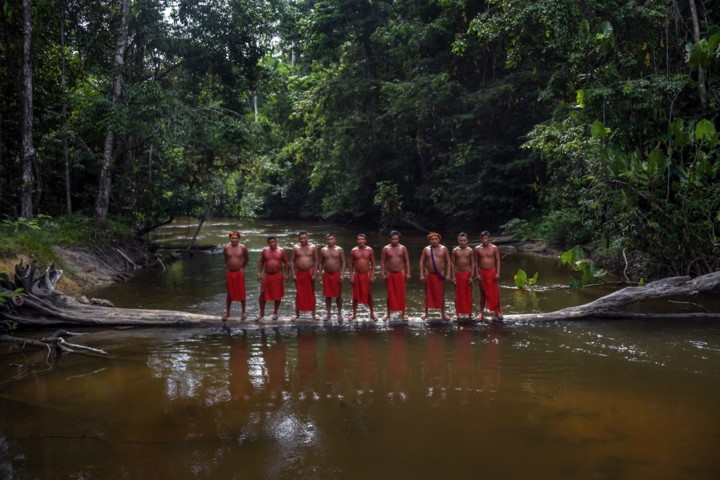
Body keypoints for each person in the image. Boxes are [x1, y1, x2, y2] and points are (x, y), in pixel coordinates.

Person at [419, 232, 450, 321]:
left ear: (439, 239)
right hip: (429, 274)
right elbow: (421, 262)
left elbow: (448, 262)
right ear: (429, 240)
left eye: (436, 239)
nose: (434, 241)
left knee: (441, 294)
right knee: (427, 293)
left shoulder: (444, 248)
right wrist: (421, 274)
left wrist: (448, 274)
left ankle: (443, 313)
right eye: (432, 239)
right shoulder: (426, 249)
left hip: (440, 274)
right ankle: (426, 312)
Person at [380, 230, 411, 321]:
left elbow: (406, 261)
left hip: (401, 272)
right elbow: (382, 261)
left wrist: (408, 273)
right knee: (389, 294)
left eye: (396, 239)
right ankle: (388, 313)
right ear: (389, 239)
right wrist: (382, 273)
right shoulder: (386, 249)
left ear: (399, 239)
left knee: (401, 293)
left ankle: (404, 313)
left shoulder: (403, 248)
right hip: (389, 273)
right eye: (393, 239)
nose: (395, 241)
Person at [257, 236, 289, 320]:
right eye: (270, 242)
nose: (272, 244)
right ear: (268, 243)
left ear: (276, 242)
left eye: (273, 242)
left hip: (278, 275)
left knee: (277, 295)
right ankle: (261, 312)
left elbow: (286, 263)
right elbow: (261, 262)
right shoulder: (265, 250)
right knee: (262, 294)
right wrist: (259, 273)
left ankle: (275, 312)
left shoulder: (281, 250)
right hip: (267, 275)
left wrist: (286, 274)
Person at [290, 230, 320, 320]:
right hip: (299, 272)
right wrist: (293, 274)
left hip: (310, 272)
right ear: (298, 239)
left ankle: (314, 313)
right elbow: (291, 261)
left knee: (311, 292)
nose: (302, 240)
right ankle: (297, 314)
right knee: (298, 293)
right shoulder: (295, 248)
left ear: (308, 238)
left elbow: (317, 260)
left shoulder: (313, 247)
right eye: (300, 239)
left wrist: (315, 273)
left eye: (304, 238)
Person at [474, 230, 503, 321]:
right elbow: (475, 262)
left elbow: (498, 260)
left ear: (489, 239)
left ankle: (497, 312)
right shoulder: (477, 249)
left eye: (486, 238)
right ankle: (481, 312)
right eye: (483, 238)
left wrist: (498, 273)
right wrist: (477, 274)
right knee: (483, 294)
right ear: (480, 239)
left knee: (495, 293)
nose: (485, 240)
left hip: (492, 272)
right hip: (482, 273)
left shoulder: (494, 248)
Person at [348, 233, 377, 320]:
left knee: (369, 295)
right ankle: (354, 314)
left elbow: (373, 263)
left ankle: (372, 314)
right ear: (357, 241)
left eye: (362, 239)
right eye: (359, 239)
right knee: (355, 296)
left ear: (365, 241)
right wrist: (351, 276)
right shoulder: (353, 251)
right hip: (357, 274)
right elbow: (350, 264)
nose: (361, 241)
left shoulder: (370, 250)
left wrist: (372, 275)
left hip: (367, 274)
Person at [223, 231, 249, 321]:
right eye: (232, 238)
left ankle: (243, 312)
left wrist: (241, 267)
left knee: (242, 291)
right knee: (229, 292)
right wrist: (231, 267)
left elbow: (246, 259)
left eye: (236, 238)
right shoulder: (226, 248)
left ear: (239, 239)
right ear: (230, 238)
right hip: (230, 272)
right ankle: (227, 312)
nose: (234, 240)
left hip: (239, 272)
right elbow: (226, 259)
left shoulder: (243, 247)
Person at [320, 233, 346, 322]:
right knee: (328, 296)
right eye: (328, 239)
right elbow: (320, 263)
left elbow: (343, 262)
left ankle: (339, 314)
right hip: (326, 274)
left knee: (338, 295)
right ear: (326, 240)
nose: (330, 241)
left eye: (331, 239)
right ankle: (328, 314)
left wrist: (342, 274)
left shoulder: (339, 249)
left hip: (336, 274)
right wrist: (320, 275)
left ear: (335, 240)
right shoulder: (323, 250)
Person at [451, 232, 475, 320]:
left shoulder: (470, 250)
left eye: (464, 240)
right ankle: (456, 313)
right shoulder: (455, 250)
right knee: (457, 294)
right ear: (458, 241)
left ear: (467, 240)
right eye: (461, 240)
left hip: (468, 274)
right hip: (458, 274)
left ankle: (470, 313)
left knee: (469, 294)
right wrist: (453, 277)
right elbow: (452, 264)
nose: (463, 242)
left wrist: (471, 276)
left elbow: (473, 263)